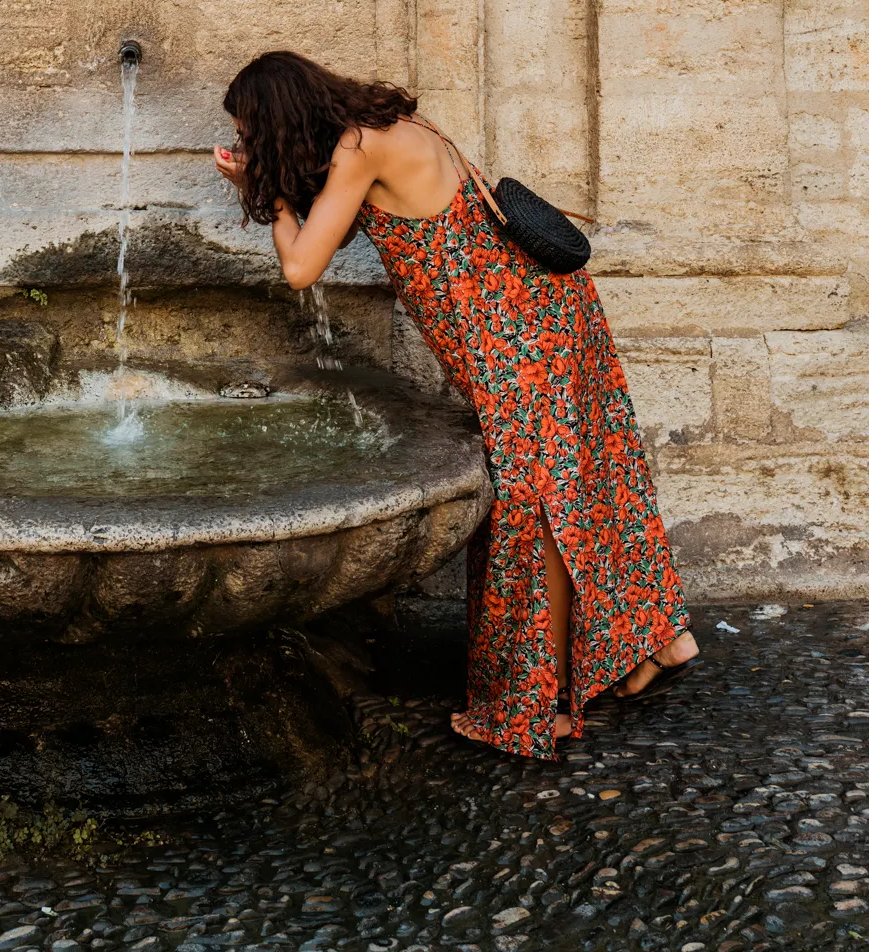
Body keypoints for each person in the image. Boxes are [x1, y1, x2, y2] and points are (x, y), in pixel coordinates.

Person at [213, 49, 698, 760]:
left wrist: (271, 195)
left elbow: (301, 266)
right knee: (590, 482)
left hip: (516, 341)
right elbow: (345, 230)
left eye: (254, 131)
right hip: (549, 316)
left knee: (535, 513)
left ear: (281, 117)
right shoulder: (390, 127)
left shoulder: (357, 147)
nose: (253, 143)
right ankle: (660, 639)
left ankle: (541, 711)